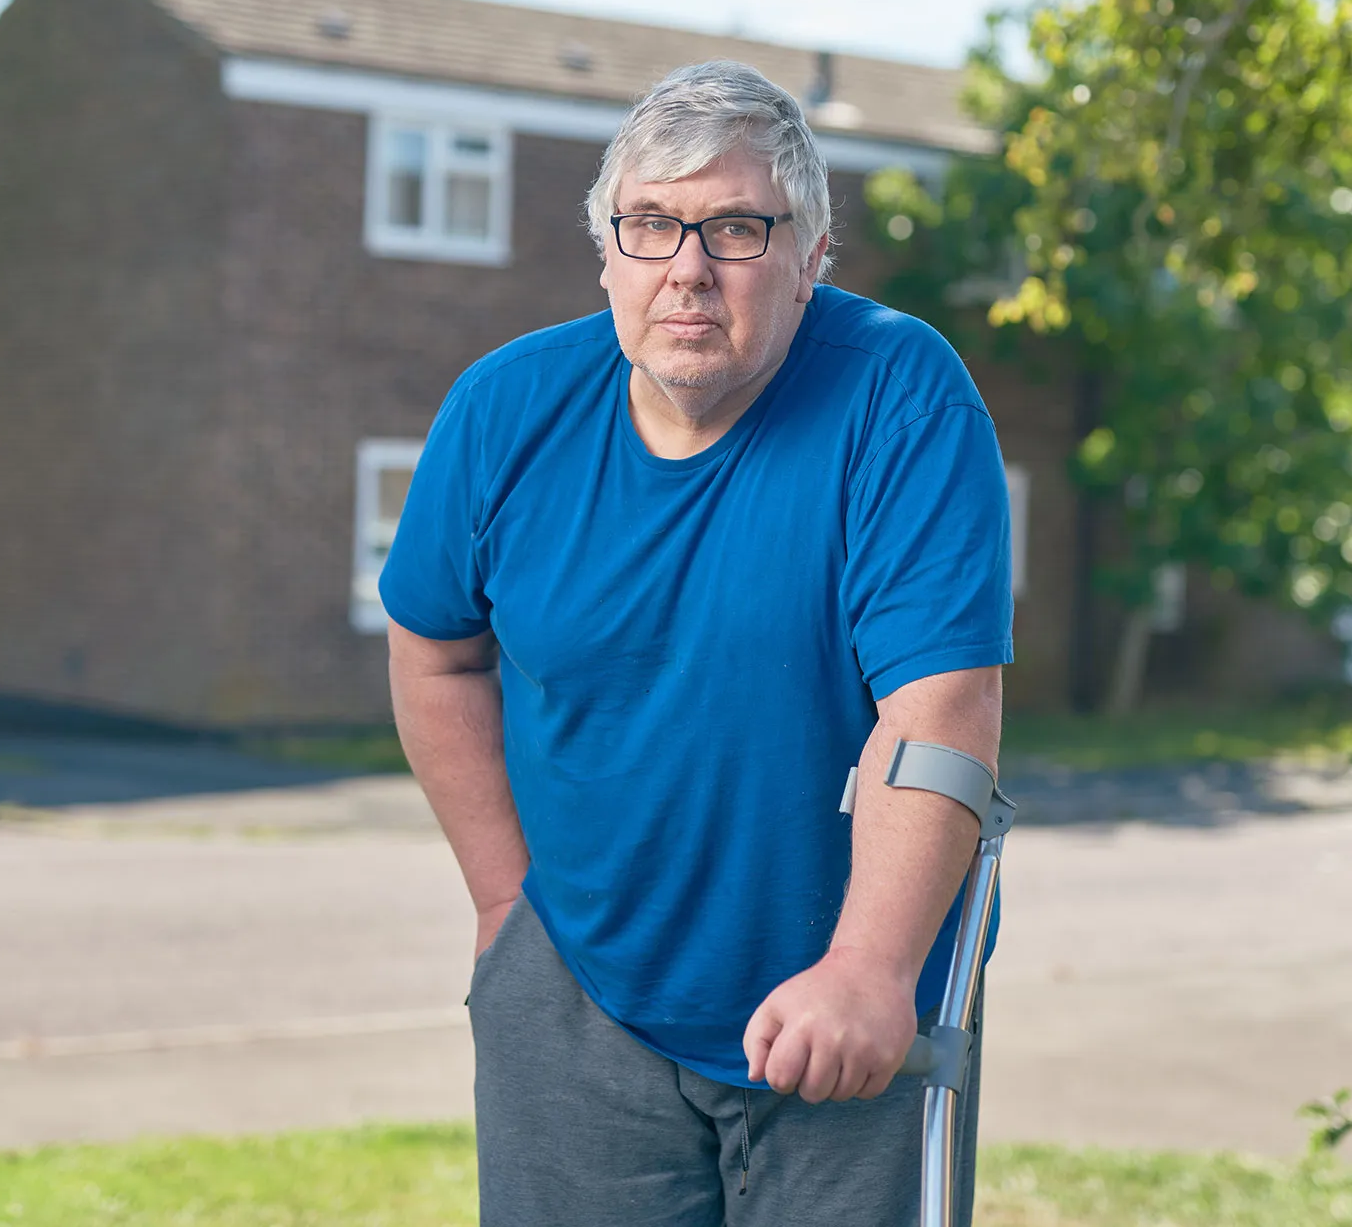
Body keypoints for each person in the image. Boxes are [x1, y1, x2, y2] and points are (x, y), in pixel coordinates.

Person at [380, 59, 1013, 1226]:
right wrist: (504, 905)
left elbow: (941, 710)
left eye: (735, 227)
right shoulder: (503, 412)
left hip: (838, 994)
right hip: (573, 986)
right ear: (607, 253)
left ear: (811, 258)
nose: (687, 266)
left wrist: (871, 968)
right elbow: (435, 651)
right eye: (651, 224)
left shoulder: (901, 396)